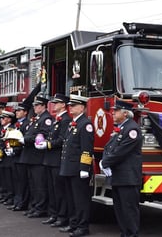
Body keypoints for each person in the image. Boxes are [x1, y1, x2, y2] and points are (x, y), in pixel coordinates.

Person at [100, 100, 142, 237]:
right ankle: (125, 233)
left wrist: (105, 162)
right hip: (119, 176)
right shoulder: (122, 127)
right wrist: (104, 161)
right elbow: (109, 147)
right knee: (120, 210)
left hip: (128, 178)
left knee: (129, 210)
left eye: (116, 110)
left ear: (125, 113)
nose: (113, 112)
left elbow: (121, 151)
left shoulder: (132, 129)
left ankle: (131, 234)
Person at [59, 94, 94, 237]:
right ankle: (73, 223)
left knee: (80, 200)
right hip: (69, 167)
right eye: (70, 105)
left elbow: (86, 149)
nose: (70, 108)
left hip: (78, 169)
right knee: (71, 198)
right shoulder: (73, 123)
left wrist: (84, 168)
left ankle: (82, 226)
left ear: (82, 108)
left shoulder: (85, 125)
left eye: (74, 105)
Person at [40, 93, 71, 227]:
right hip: (50, 159)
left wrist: (48, 144)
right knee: (52, 189)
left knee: (59, 191)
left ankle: (62, 216)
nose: (54, 105)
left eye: (56, 103)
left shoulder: (65, 120)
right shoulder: (56, 119)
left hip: (57, 160)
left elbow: (62, 139)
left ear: (63, 105)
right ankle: (54, 214)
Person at [21, 95, 53, 218]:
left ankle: (40, 208)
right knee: (33, 184)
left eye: (37, 105)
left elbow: (43, 135)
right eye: (34, 105)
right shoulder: (37, 118)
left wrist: (26, 139)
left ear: (44, 106)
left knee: (40, 185)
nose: (35, 107)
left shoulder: (46, 119)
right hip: (31, 157)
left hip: (38, 157)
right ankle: (34, 205)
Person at [9, 102, 31, 211]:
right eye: (16, 111)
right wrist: (9, 148)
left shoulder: (27, 124)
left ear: (25, 112)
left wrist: (15, 149)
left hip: (22, 155)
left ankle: (22, 203)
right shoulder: (15, 125)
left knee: (23, 181)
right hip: (14, 155)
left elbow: (24, 141)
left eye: (19, 111)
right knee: (16, 180)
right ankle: (16, 201)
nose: (17, 113)